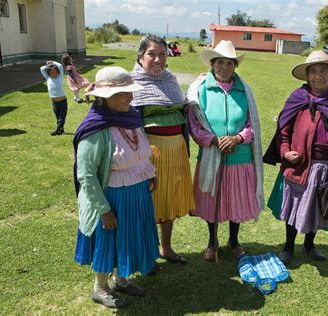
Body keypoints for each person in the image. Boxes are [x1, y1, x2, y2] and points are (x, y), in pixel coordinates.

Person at [73, 66, 159, 308]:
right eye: (125, 93)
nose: (131, 98)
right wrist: (103, 209)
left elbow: (140, 151)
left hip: (137, 190)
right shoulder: (95, 130)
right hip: (112, 198)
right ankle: (100, 287)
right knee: (109, 240)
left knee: (129, 236)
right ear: (106, 96)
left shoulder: (130, 117)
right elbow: (87, 175)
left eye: (130, 92)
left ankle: (120, 279)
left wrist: (148, 173)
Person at [264, 50, 328, 264]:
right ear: (307, 76)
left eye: (324, 71)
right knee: (294, 206)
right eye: (314, 71)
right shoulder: (297, 98)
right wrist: (285, 151)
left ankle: (309, 244)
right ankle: (288, 246)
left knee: (318, 207)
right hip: (300, 164)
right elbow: (283, 130)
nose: (319, 76)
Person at [187, 40, 264, 261]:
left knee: (236, 201)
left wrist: (238, 138)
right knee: (212, 201)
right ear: (212, 64)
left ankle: (233, 241)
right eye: (219, 62)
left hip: (239, 158)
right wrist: (213, 140)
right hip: (212, 156)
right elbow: (194, 124)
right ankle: (212, 242)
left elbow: (252, 125)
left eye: (229, 63)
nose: (224, 67)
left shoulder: (244, 91)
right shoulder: (200, 89)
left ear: (235, 66)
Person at [130, 35, 195, 264]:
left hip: (176, 151)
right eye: (152, 54)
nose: (158, 59)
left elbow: (184, 112)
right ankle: (148, 252)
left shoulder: (171, 80)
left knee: (169, 200)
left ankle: (166, 248)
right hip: (149, 154)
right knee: (147, 203)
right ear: (140, 56)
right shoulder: (131, 84)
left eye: (162, 54)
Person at [40, 60, 67, 136]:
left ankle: (57, 129)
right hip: (54, 102)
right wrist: (49, 65)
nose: (54, 74)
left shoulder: (60, 77)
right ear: (48, 73)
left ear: (58, 72)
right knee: (57, 116)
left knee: (62, 117)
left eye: (55, 72)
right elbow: (42, 68)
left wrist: (53, 62)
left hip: (63, 101)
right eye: (52, 73)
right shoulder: (48, 78)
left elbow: (60, 66)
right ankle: (61, 130)